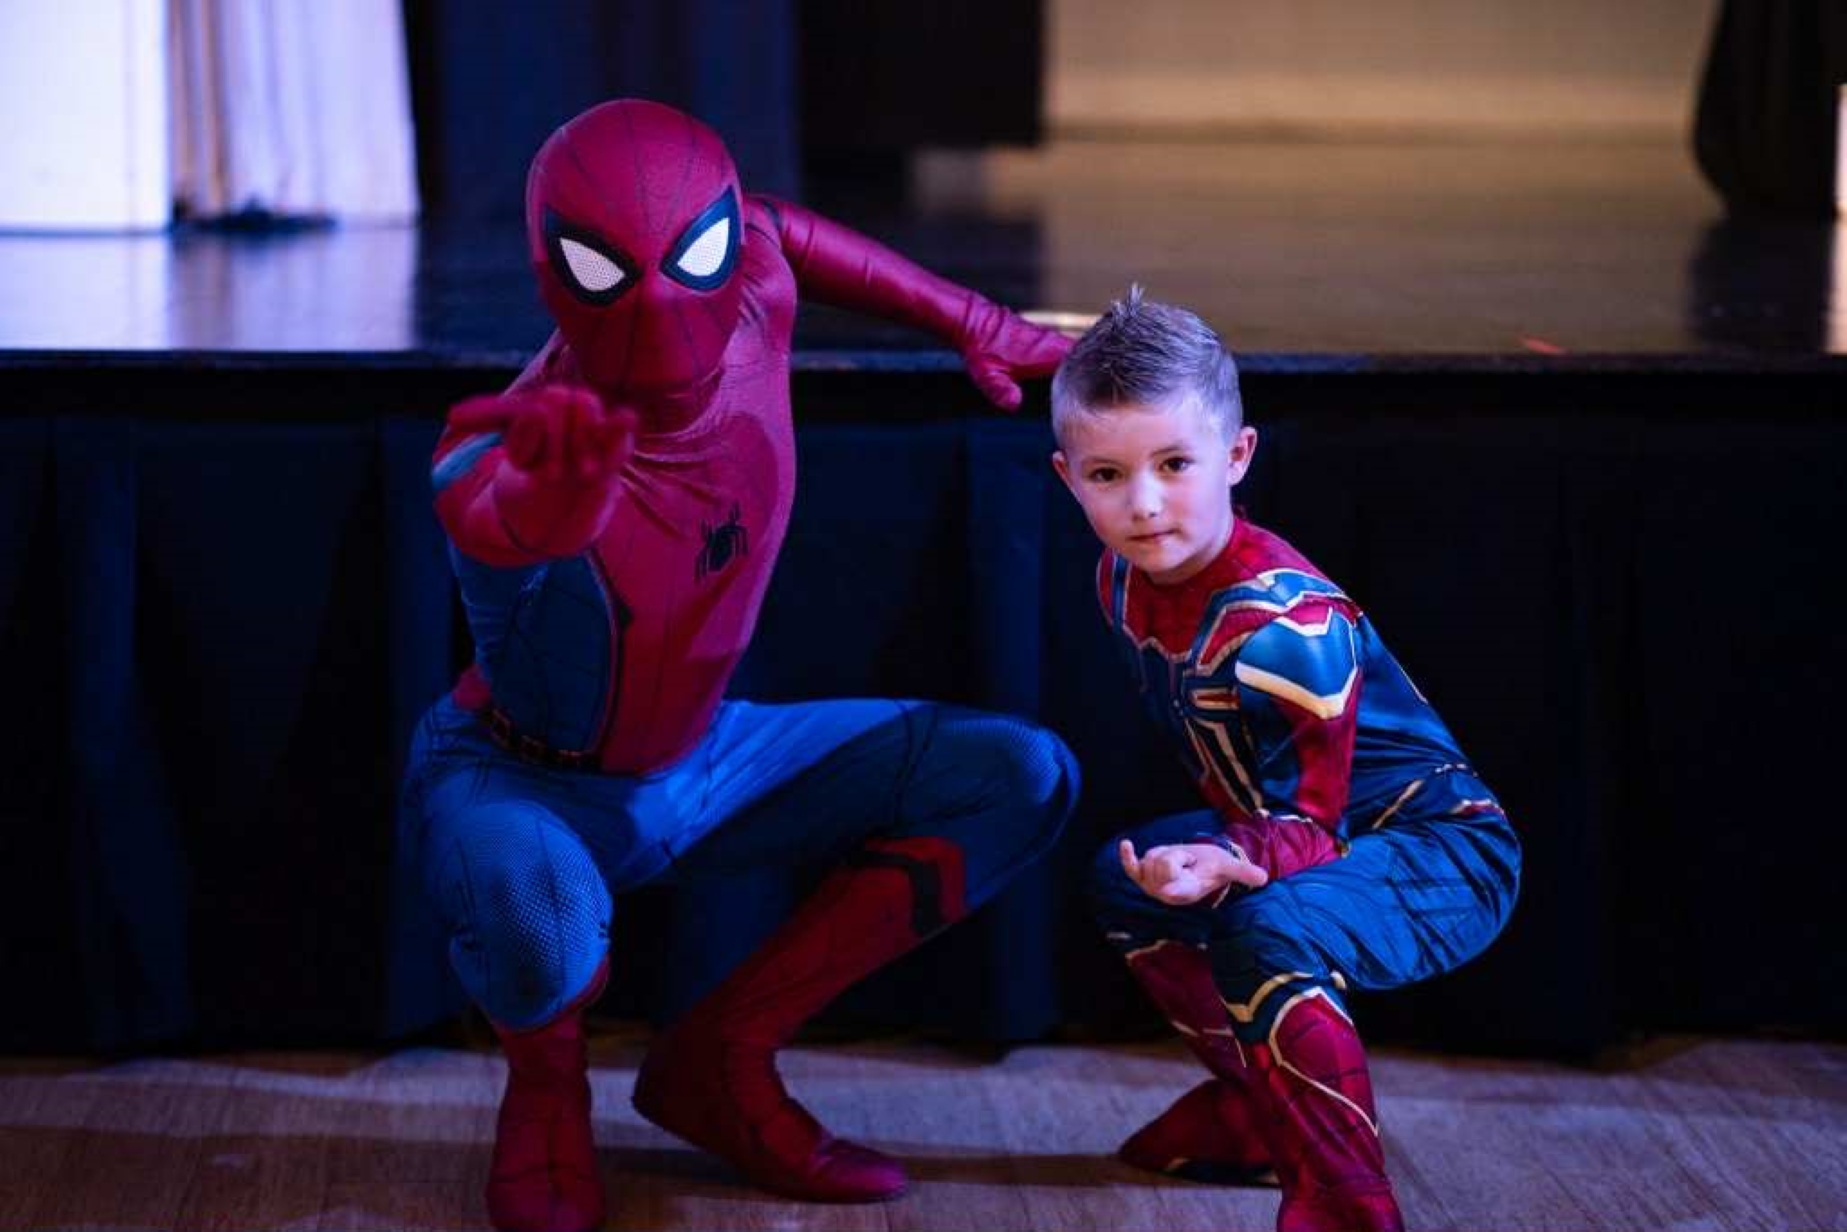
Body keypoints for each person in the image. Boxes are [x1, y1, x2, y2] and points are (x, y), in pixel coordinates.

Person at [400, 98, 1078, 1232]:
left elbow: (773, 225)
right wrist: (558, 501)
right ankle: (547, 1092)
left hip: (708, 760)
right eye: (610, 270)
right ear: (552, 271)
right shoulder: (504, 446)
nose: (661, 300)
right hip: (519, 782)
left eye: (691, 256)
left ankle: (722, 1054)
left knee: (1018, 775)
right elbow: (492, 509)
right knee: (535, 896)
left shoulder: (756, 290)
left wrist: (970, 318)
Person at [1050, 288, 1520, 1232]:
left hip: (1441, 853)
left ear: (1236, 456)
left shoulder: (1283, 626)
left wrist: (1240, 861)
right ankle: (1261, 1110)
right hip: (1308, 835)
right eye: (1107, 475)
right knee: (1124, 879)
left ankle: (1348, 1205)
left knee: (1264, 928)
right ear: (1068, 477)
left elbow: (1315, 821)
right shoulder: (1121, 576)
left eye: (1174, 465)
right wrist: (1224, 852)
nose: (1142, 504)